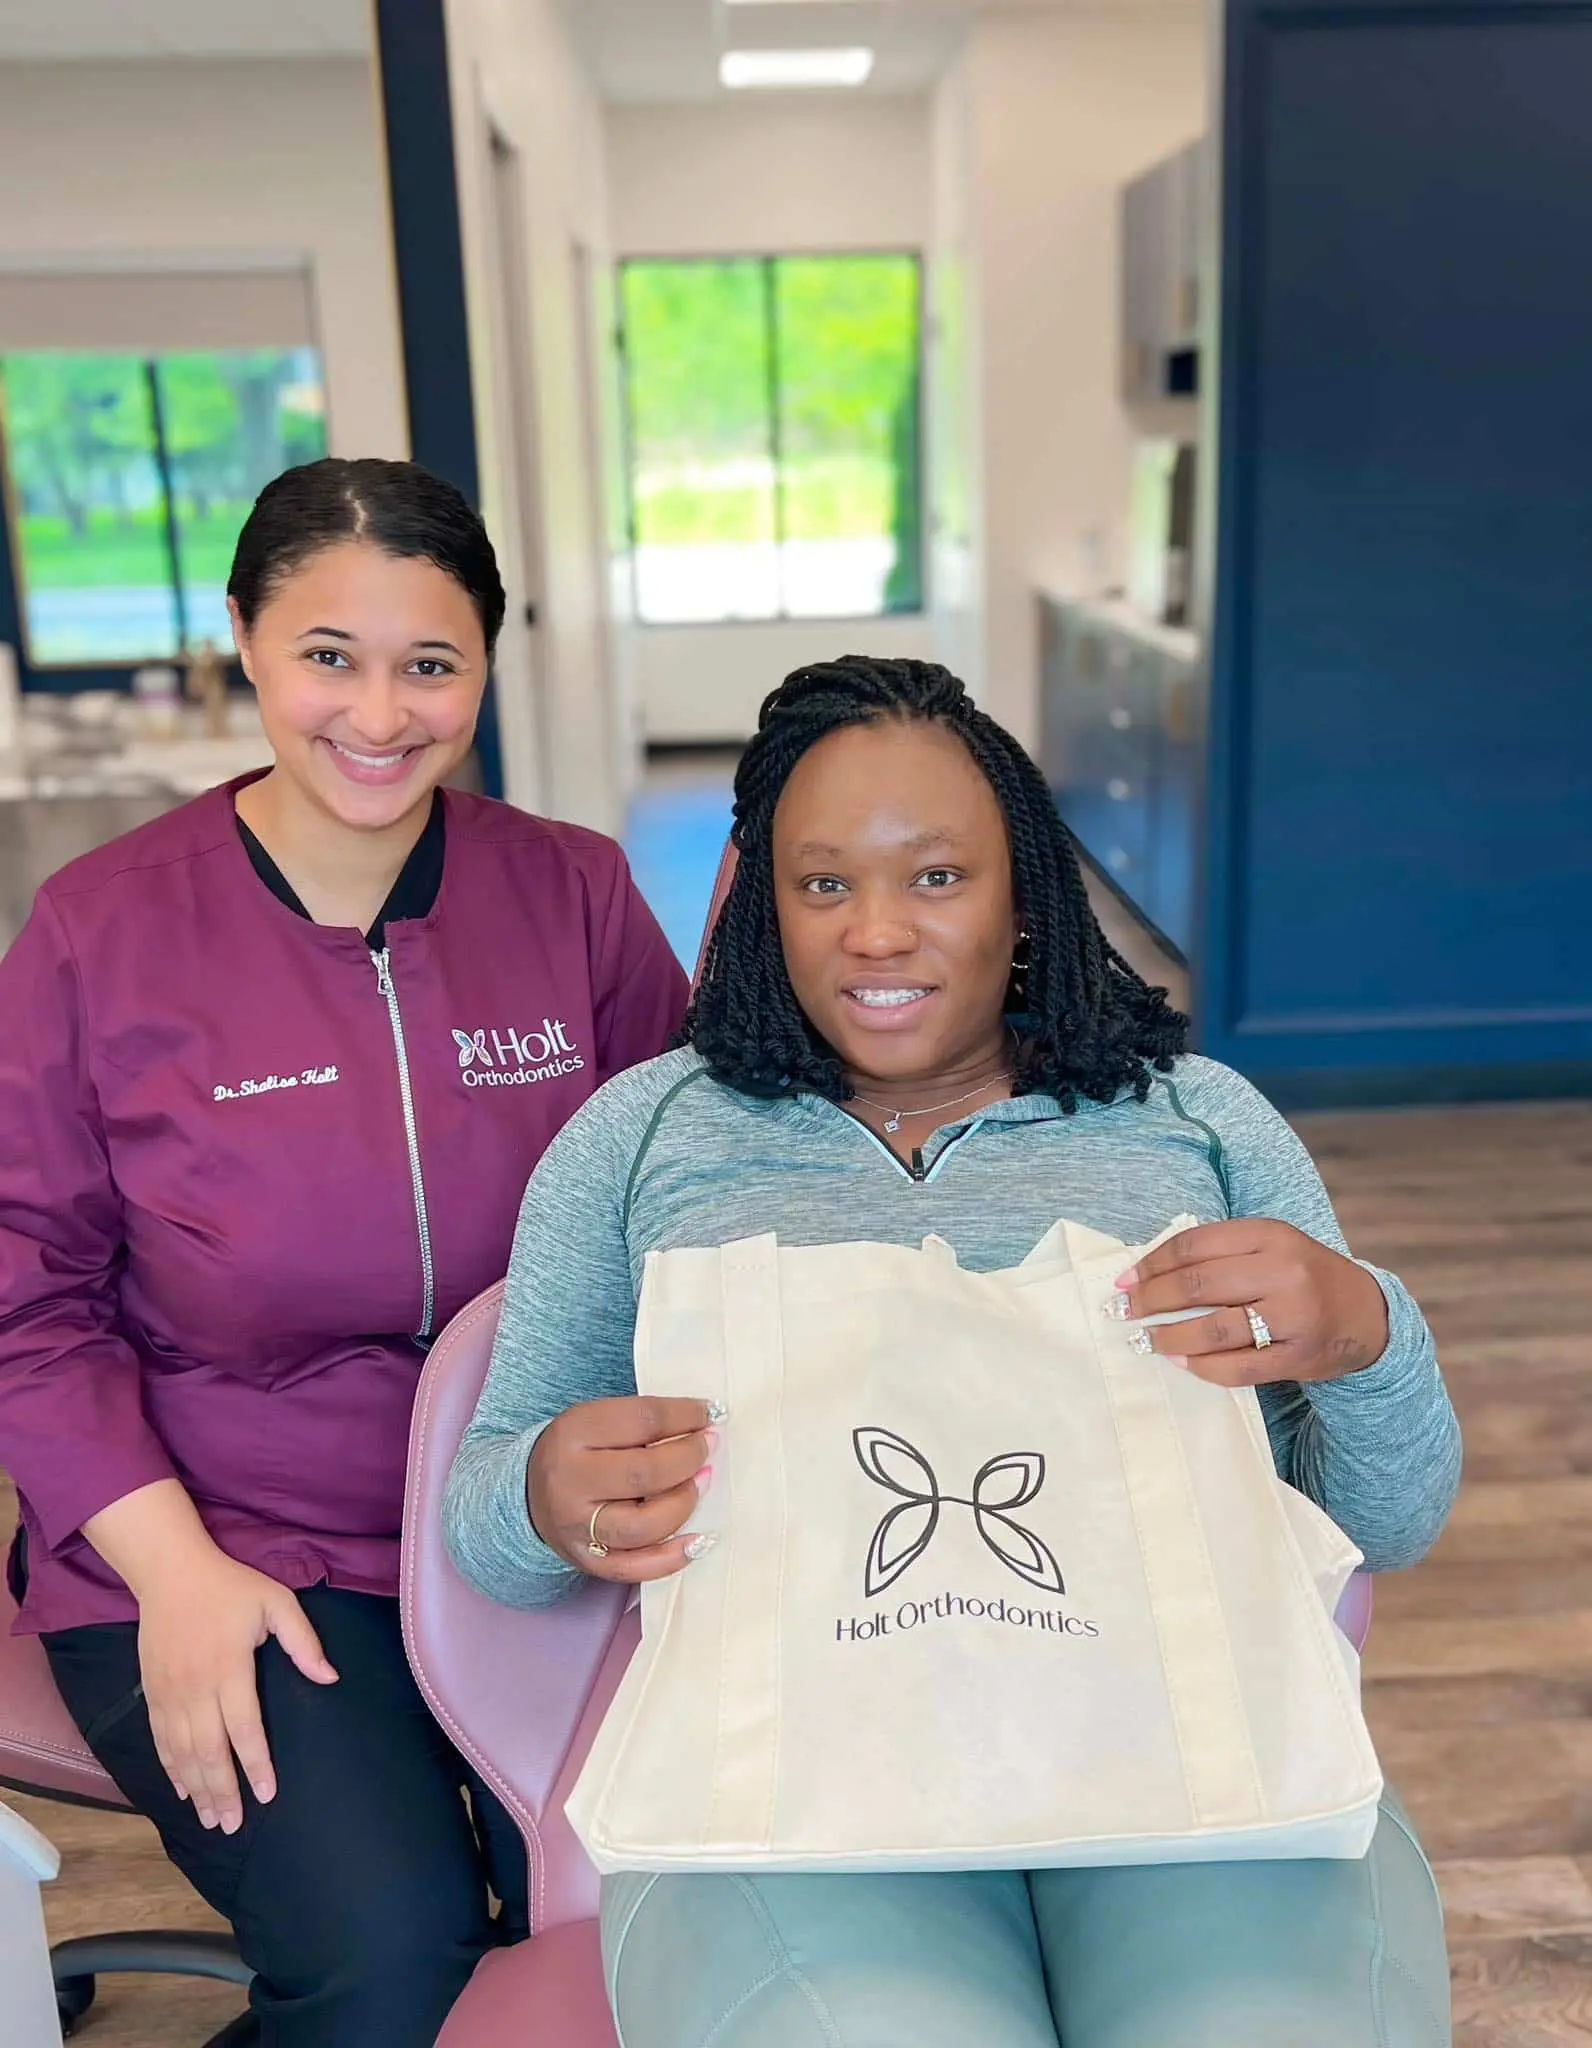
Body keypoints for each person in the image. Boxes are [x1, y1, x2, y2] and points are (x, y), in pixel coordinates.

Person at [445, 655, 1461, 2048]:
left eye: (936, 879)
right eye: (822, 885)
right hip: (798, 1785)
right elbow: (493, 1533)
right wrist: (546, 1490)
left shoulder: (1200, 1118)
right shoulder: (643, 1137)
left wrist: (1366, 1332)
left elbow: (1391, 1522)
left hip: (1191, 1755)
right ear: (763, 910)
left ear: (1027, 898)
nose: (876, 933)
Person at [0, 458, 689, 2048]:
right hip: (229, 1539)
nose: (379, 715)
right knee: (391, 1966)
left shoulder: (570, 893)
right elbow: (26, 1301)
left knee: (656, 1918)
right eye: (328, 655)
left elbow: (689, 1175)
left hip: (534, 1519)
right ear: (242, 639)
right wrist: (169, 1573)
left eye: (429, 665)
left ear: (485, 672)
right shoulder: (98, 934)